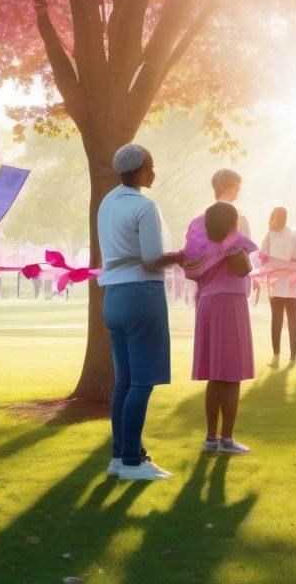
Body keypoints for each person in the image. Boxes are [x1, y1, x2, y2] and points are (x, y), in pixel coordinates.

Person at [97, 143, 183, 481]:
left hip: (114, 294)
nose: (155, 172)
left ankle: (120, 455)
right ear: (142, 168)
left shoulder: (107, 202)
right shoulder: (144, 206)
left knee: (125, 381)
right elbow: (151, 257)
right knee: (142, 381)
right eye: (152, 166)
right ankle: (133, 458)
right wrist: (181, 255)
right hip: (141, 292)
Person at [186, 201, 256, 455]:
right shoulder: (232, 243)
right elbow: (244, 268)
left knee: (216, 374)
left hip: (208, 302)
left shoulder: (202, 245)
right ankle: (226, 438)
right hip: (229, 303)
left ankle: (210, 438)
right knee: (232, 374)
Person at [261, 206, 296, 366]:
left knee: (292, 318)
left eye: (274, 217)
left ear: (282, 219)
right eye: (271, 217)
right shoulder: (270, 235)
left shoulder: (291, 235)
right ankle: (276, 356)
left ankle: (292, 357)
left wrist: (280, 265)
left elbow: (295, 257)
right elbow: (263, 255)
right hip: (276, 284)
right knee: (277, 319)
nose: (271, 220)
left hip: (289, 283)